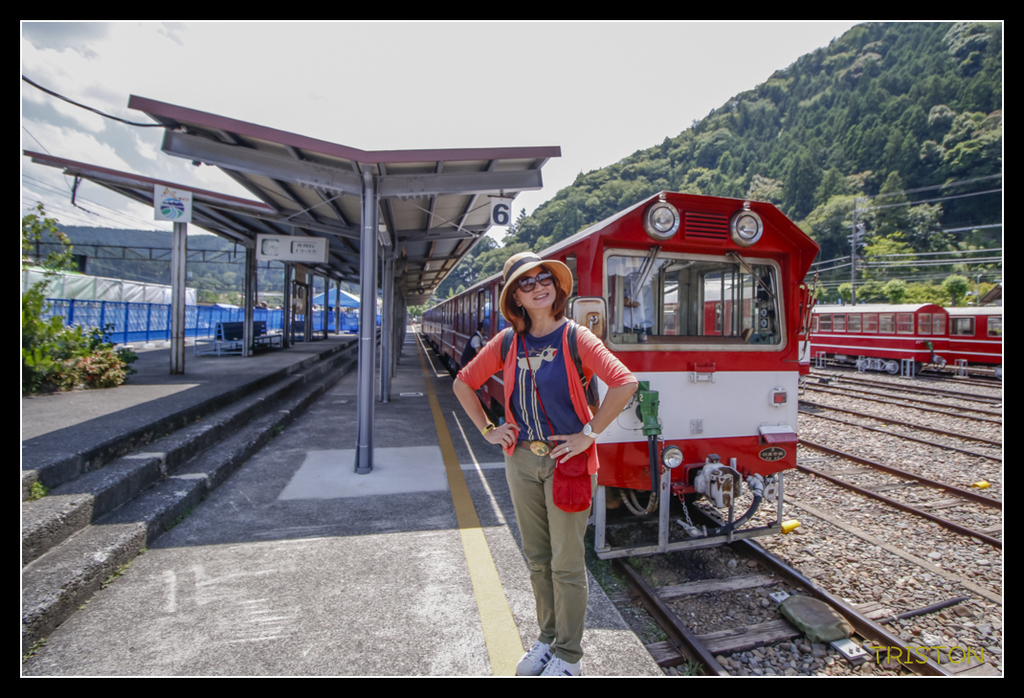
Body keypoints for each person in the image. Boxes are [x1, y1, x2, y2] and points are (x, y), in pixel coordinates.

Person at [453, 251, 637, 677]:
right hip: (520, 460)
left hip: (567, 463)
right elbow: (464, 383)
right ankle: (547, 640)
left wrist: (589, 433)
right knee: (537, 559)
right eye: (526, 282)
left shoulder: (576, 338)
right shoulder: (507, 342)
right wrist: (487, 429)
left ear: (555, 287)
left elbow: (625, 382)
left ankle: (569, 656)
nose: (538, 286)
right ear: (514, 297)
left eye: (543, 279)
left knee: (567, 562)